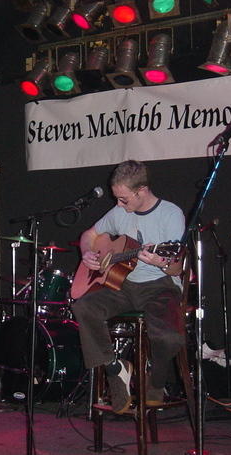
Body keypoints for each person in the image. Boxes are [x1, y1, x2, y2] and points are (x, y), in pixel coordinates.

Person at [71, 160, 186, 414]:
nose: (119, 205)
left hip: (161, 285)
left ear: (141, 191)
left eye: (123, 199)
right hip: (124, 285)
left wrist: (160, 261)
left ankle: (154, 380)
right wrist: (87, 252)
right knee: (84, 307)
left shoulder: (171, 214)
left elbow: (177, 267)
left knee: (168, 336)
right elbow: (89, 235)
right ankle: (115, 370)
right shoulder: (119, 212)